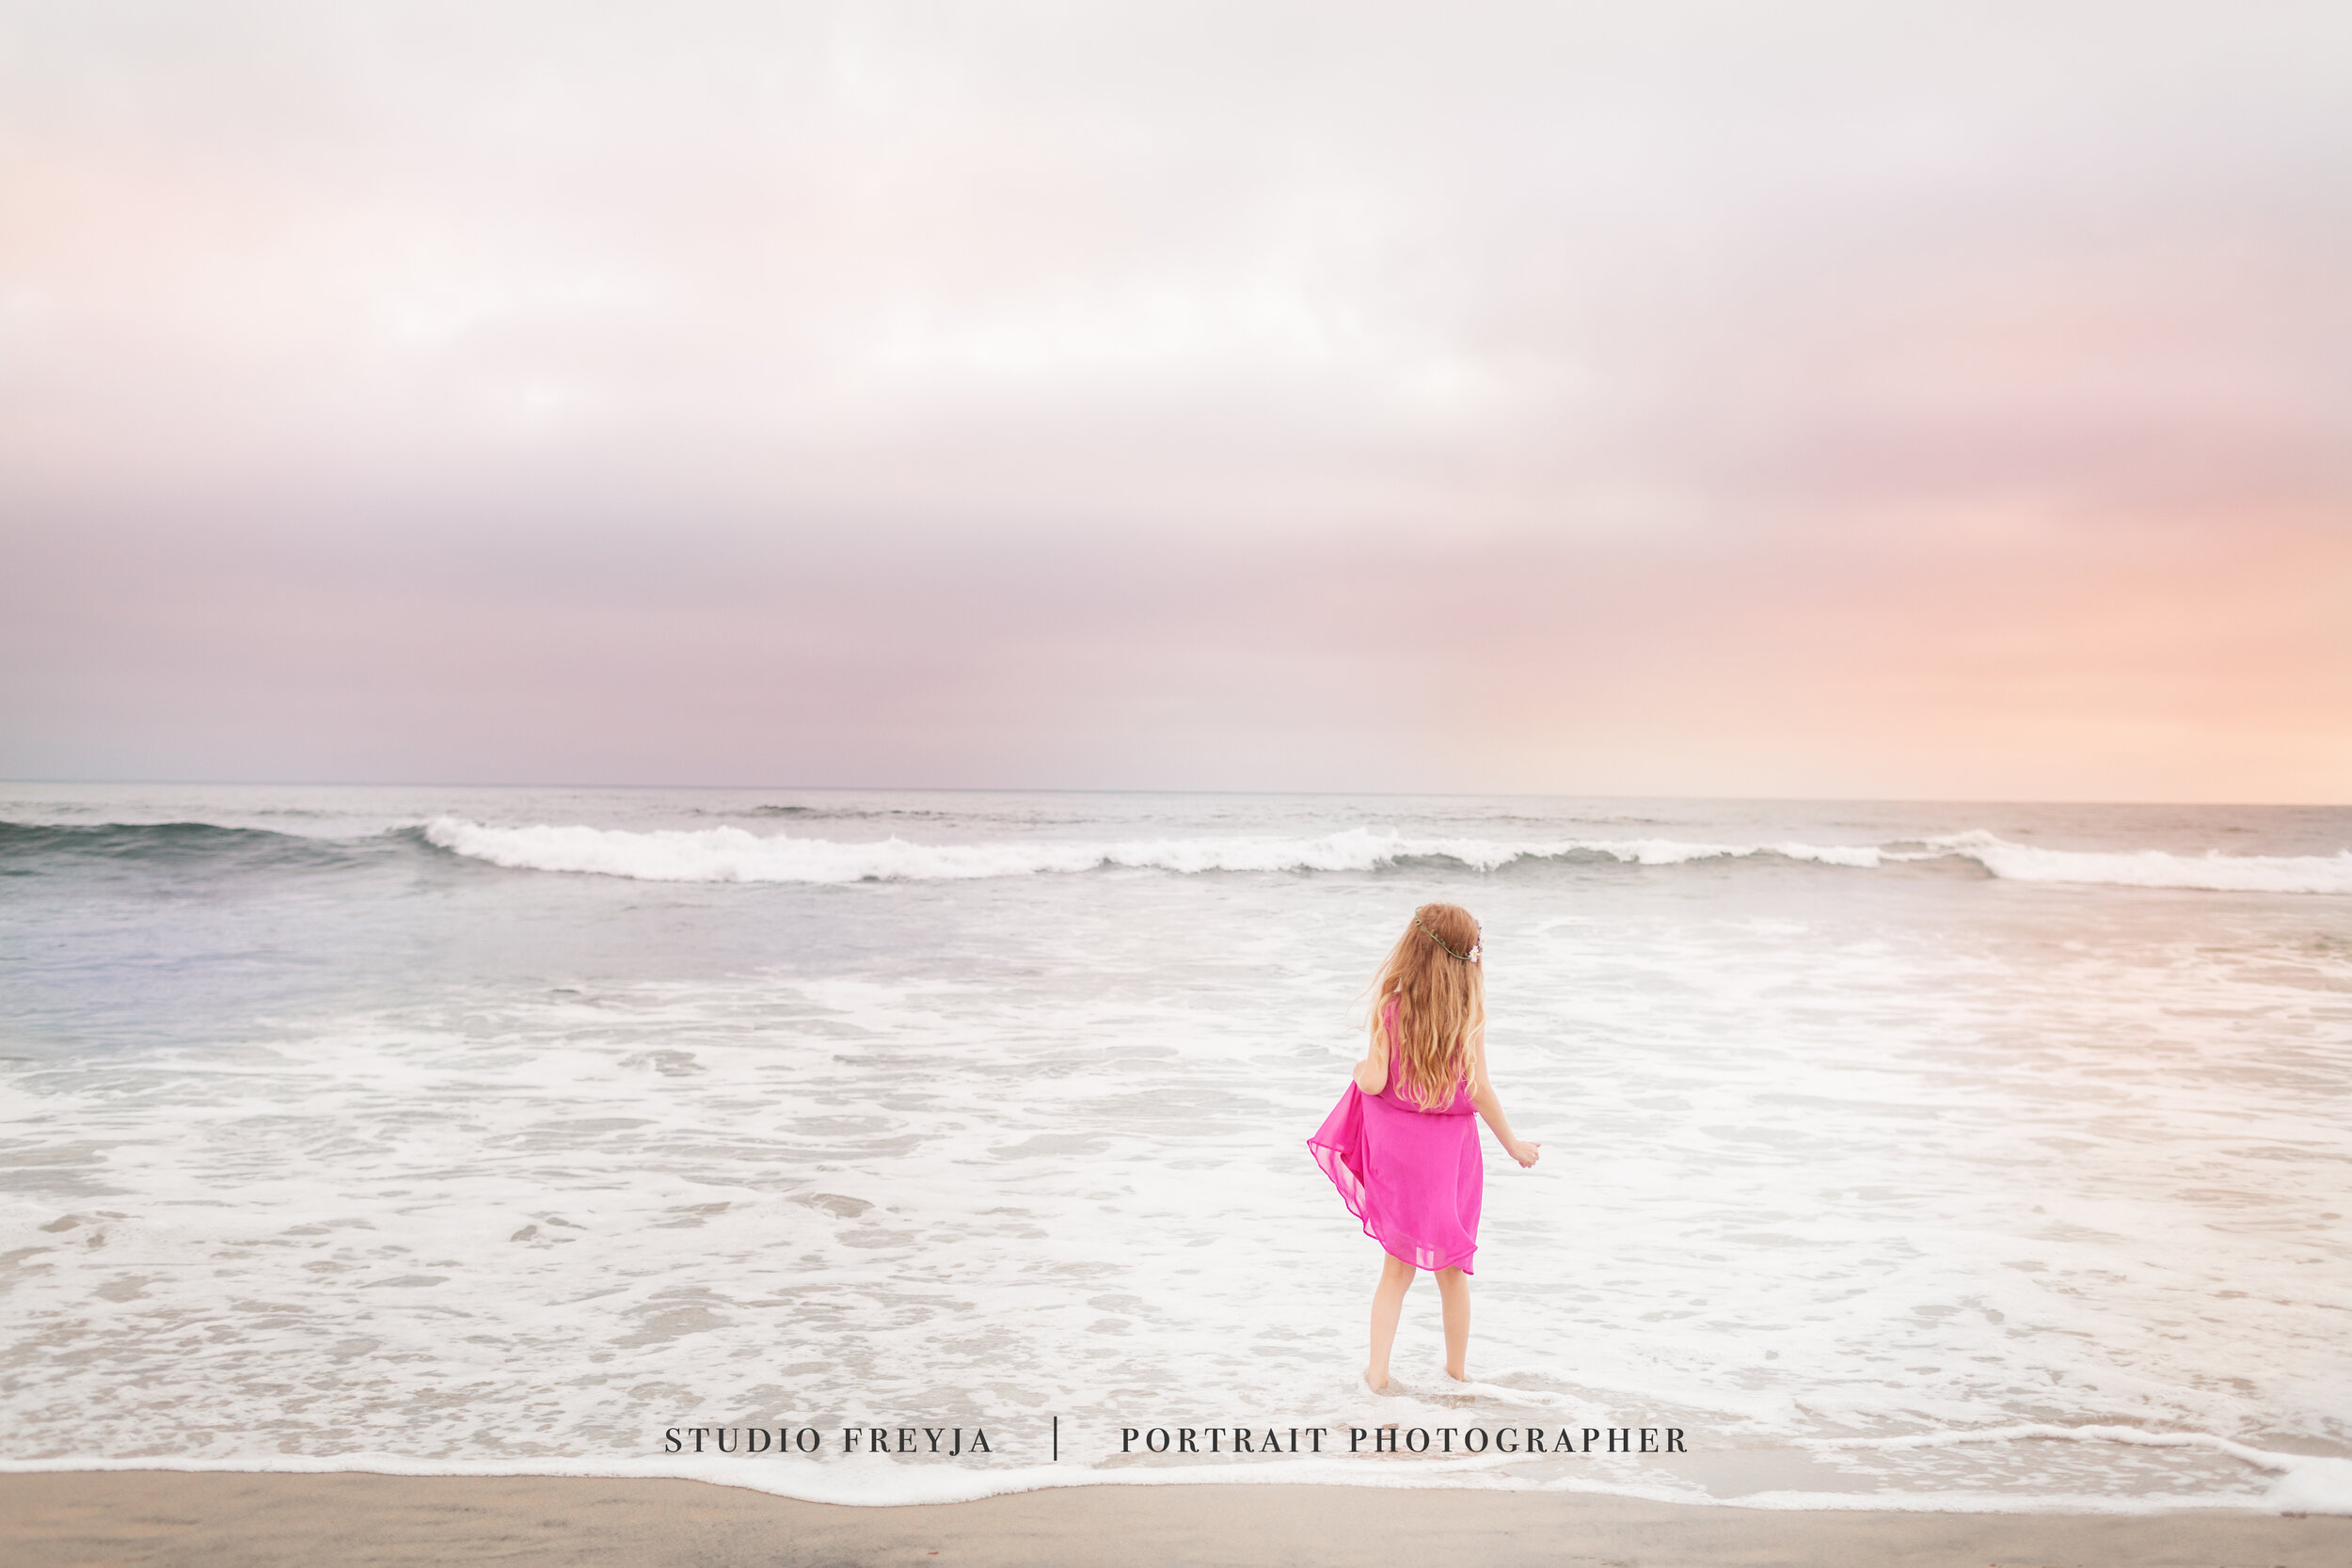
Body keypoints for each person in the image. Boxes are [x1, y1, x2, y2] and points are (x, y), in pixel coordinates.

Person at [1308, 902, 1539, 1391]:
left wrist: (1357, 1068)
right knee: (1451, 1269)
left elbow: (1372, 1082)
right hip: (1449, 1153)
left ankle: (1377, 1374)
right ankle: (1457, 1374)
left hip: (1398, 1150)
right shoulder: (1467, 1013)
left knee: (1396, 1270)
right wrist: (1512, 1143)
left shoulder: (1391, 1008)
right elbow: (1478, 1089)